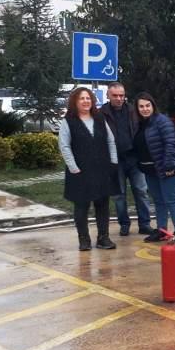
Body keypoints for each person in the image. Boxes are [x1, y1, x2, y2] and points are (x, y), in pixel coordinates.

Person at [58, 87, 119, 252]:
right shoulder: (68, 121)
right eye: (82, 99)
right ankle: (84, 239)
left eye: (88, 98)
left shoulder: (99, 119)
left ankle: (103, 238)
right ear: (75, 102)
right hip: (80, 171)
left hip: (102, 170)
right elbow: (64, 146)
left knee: (102, 205)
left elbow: (111, 141)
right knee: (81, 206)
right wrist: (73, 167)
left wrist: (113, 162)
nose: (86, 101)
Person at [100, 82, 154, 237]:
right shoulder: (102, 113)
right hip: (115, 160)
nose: (119, 98)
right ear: (108, 95)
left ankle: (145, 224)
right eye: (115, 95)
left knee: (141, 191)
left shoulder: (133, 110)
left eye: (121, 95)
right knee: (119, 195)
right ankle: (124, 224)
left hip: (134, 158)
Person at [134, 93, 175, 245]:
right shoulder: (140, 123)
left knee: (171, 199)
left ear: (153, 105)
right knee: (158, 201)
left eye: (147, 105)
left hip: (167, 169)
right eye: (141, 106)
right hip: (151, 170)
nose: (145, 109)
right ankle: (162, 231)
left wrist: (169, 166)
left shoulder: (162, 121)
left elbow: (170, 144)